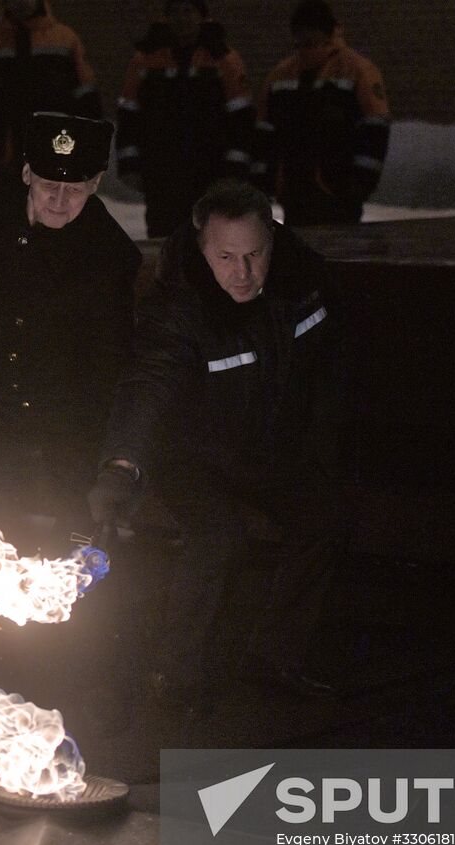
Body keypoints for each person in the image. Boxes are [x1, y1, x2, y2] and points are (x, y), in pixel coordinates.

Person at [88, 179, 350, 712]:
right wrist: (122, 467)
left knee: (323, 518)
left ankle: (275, 657)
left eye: (254, 254)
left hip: (269, 449)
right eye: (226, 256)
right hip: (191, 456)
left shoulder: (303, 283)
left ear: (273, 241)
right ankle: (174, 673)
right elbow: (148, 388)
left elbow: (331, 369)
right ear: (203, 248)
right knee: (218, 537)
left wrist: (324, 446)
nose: (243, 272)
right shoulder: (179, 309)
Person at [0, 112, 142, 550]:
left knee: (70, 527)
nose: (58, 200)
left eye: (73, 190)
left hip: (60, 409)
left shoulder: (109, 256)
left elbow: (106, 361)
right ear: (27, 173)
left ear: (96, 183)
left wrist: (93, 450)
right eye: (48, 185)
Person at [114, 0, 253, 238]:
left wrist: (235, 169)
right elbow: (129, 116)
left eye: (188, 11)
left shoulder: (224, 60)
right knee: (164, 238)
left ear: (202, 16)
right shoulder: (144, 60)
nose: (182, 18)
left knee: (208, 238)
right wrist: (129, 165)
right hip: (161, 172)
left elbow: (241, 119)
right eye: (175, 12)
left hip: (210, 173)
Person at [253, 0, 389, 226]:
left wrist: (360, 182)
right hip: (294, 189)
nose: (305, 50)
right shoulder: (282, 75)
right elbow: (265, 131)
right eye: (300, 44)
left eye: (311, 42)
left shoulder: (357, 71)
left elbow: (376, 129)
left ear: (327, 36)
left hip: (339, 189)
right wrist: (264, 179)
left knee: (339, 253)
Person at [0, 1, 102, 187]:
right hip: (0, 162)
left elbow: (87, 99)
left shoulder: (64, 41)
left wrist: (90, 153)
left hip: (56, 161)